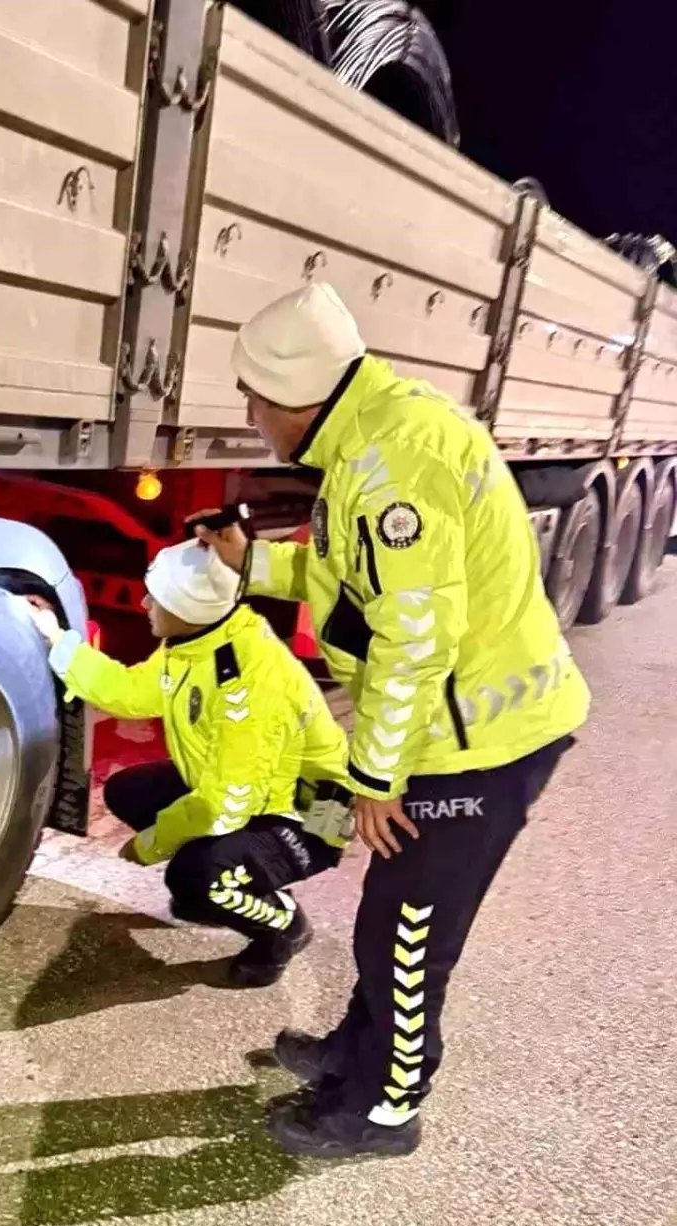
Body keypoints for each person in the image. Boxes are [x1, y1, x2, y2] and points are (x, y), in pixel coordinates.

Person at [196, 281, 591, 1158]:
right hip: (447, 726)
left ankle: (384, 1107)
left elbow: (415, 638)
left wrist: (374, 780)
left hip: (482, 738)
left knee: (410, 933)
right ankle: (358, 1054)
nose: (250, 412)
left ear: (298, 400)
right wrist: (252, 561)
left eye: (254, 397)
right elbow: (351, 584)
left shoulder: (393, 465)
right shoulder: (371, 433)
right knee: (390, 913)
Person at [27, 539, 352, 987]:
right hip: (253, 792)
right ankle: (228, 879)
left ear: (188, 606)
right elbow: (130, 691)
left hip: (309, 818)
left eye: (155, 597)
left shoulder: (248, 688)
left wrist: (150, 845)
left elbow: (224, 805)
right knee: (129, 792)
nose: (143, 603)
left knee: (201, 877)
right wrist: (56, 640)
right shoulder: (198, 640)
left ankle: (281, 925)